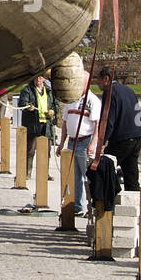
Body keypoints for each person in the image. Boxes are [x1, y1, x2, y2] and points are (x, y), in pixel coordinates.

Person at [56, 80, 101, 217]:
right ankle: (76, 206)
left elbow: (97, 124)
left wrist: (93, 143)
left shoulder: (92, 101)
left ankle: (91, 207)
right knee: (73, 176)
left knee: (87, 176)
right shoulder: (71, 100)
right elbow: (65, 123)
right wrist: (61, 143)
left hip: (85, 141)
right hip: (71, 141)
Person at [98, 68, 141, 191]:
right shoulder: (129, 90)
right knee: (132, 177)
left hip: (121, 140)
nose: (97, 83)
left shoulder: (109, 92)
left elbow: (107, 120)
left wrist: (101, 143)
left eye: (98, 80)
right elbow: (139, 114)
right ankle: (134, 206)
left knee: (103, 168)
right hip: (136, 138)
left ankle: (107, 203)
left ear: (106, 79)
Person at [17, 74, 56, 181]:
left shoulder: (49, 91)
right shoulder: (27, 90)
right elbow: (21, 104)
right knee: (30, 149)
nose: (38, 79)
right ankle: (27, 173)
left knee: (46, 150)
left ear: (44, 78)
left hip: (46, 124)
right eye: (37, 77)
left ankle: (45, 172)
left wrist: (52, 111)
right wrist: (28, 106)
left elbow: (54, 104)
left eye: (41, 77)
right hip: (33, 124)